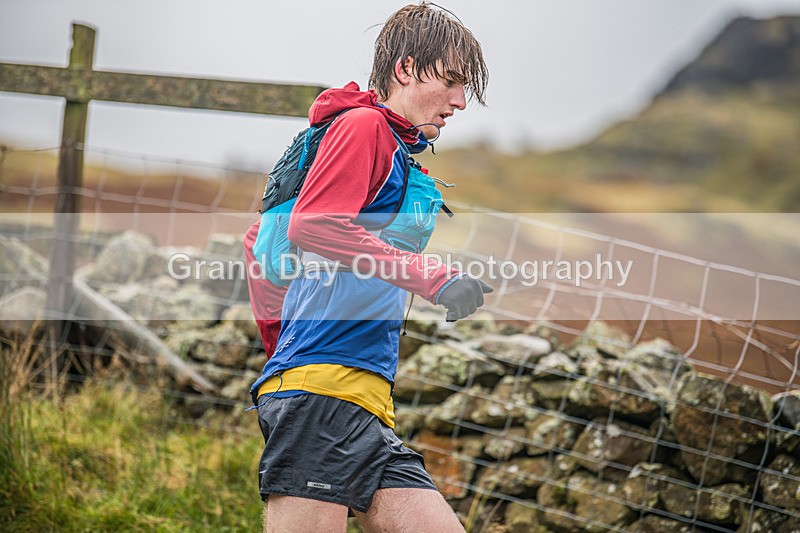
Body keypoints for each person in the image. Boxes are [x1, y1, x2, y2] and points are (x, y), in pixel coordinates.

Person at [243, 3, 490, 531]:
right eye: (450, 81)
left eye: (464, 87)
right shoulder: (362, 126)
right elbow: (312, 225)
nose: (460, 101)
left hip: (364, 399)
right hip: (322, 393)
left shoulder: (396, 149)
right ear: (405, 69)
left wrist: (279, 354)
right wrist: (435, 278)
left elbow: (255, 244)